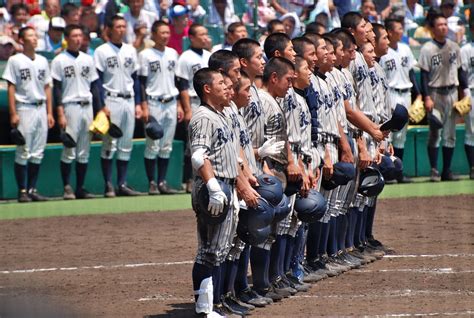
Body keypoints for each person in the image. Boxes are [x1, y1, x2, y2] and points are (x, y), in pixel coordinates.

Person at [189, 67, 239, 317]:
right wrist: (213, 187)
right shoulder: (203, 117)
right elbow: (199, 155)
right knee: (209, 250)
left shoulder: (220, 114)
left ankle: (213, 305)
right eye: (221, 83)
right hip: (213, 187)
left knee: (221, 248)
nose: (227, 86)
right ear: (207, 89)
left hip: (225, 185)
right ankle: (205, 310)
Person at [3, 26, 54, 202]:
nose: (34, 38)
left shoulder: (42, 61)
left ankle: (33, 188)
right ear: (23, 41)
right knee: (23, 150)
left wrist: (49, 112)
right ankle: (22, 190)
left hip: (40, 108)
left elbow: (47, 87)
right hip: (24, 107)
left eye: (35, 35)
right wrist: (13, 112)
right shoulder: (15, 60)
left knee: (38, 151)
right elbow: (11, 87)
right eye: (30, 36)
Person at [94, 15, 142, 197]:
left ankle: (122, 184)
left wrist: (138, 103)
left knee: (125, 144)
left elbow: (136, 79)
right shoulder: (101, 51)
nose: (121, 29)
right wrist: (101, 106)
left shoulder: (130, 50)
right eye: (118, 26)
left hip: (129, 100)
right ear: (109, 29)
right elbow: (97, 81)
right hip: (110, 99)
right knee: (109, 143)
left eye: (124, 26)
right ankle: (108, 184)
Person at [51, 24, 99, 200]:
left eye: (80, 35)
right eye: (74, 36)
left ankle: (80, 187)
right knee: (69, 150)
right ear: (66, 38)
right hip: (69, 106)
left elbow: (94, 86)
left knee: (84, 151)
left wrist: (99, 110)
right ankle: (67, 187)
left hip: (87, 106)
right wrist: (60, 113)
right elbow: (56, 88)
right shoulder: (59, 60)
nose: (78, 39)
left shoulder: (88, 59)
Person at [419, 12, 468, 181]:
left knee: (450, 134)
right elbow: (424, 75)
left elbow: (461, 72)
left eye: (445, 24)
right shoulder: (427, 49)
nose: (443, 27)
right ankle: (434, 169)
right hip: (435, 93)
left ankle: (447, 170)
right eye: (440, 24)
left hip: (452, 92)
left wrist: (465, 93)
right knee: (435, 133)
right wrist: (426, 97)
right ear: (433, 29)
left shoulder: (454, 46)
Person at [139, 20, 180, 195]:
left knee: (166, 145)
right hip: (153, 102)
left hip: (171, 101)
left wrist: (179, 105)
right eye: (162, 33)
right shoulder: (145, 54)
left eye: (167, 32)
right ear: (154, 34)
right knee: (153, 144)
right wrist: (143, 106)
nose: (165, 36)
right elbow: (141, 82)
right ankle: (152, 183)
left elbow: (176, 80)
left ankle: (162, 182)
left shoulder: (172, 53)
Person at [381, 18, 421, 183]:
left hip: (406, 93)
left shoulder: (405, 48)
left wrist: (418, 94)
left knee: (401, 135)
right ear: (389, 32)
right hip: (390, 93)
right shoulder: (383, 52)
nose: (402, 31)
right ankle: (388, 173)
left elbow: (411, 72)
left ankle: (398, 173)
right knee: (389, 134)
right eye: (398, 28)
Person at [176, 22, 211, 193]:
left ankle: (207, 178)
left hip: (210, 102)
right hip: (194, 101)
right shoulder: (185, 57)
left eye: (206, 34)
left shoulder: (209, 55)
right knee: (193, 145)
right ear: (191, 37)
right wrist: (187, 109)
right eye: (201, 34)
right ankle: (190, 180)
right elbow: (182, 85)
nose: (206, 37)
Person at [461, 17, 474, 179]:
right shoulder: (465, 50)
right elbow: (462, 73)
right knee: (471, 131)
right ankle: (472, 167)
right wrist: (466, 94)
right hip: (471, 90)